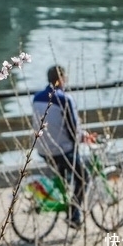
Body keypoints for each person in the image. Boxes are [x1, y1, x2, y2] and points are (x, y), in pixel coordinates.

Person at [31, 65, 95, 229]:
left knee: (65, 176)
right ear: (61, 79)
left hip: (42, 149)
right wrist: (84, 137)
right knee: (83, 178)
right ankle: (74, 215)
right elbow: (73, 129)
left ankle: (59, 196)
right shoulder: (65, 99)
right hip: (62, 150)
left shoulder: (37, 98)